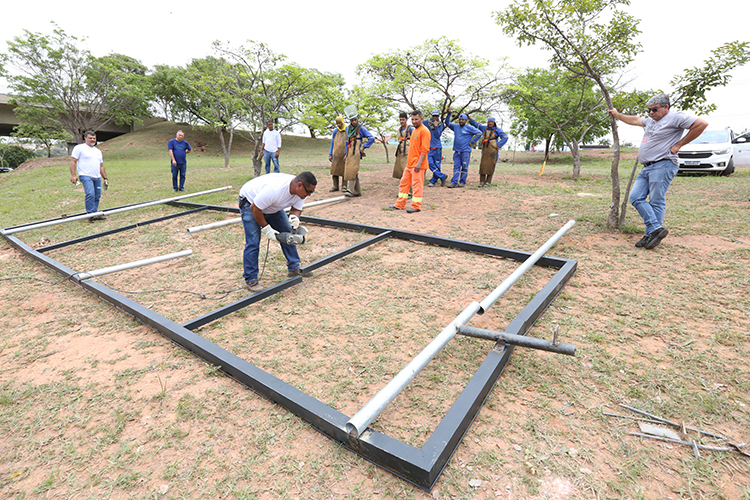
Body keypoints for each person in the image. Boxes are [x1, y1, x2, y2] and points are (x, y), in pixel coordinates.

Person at [608, 93, 708, 249]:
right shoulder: (651, 121)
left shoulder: (675, 117)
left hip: (663, 165)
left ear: (666, 107)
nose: (651, 113)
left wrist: (679, 145)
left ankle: (651, 235)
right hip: (647, 167)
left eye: (654, 109)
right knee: (635, 197)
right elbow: (635, 119)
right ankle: (654, 229)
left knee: (656, 201)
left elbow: (701, 124)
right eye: (649, 110)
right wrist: (617, 115)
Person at [238, 172, 317, 290]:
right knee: (253, 241)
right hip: (250, 203)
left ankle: (294, 268)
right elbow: (255, 208)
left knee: (289, 234)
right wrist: (267, 228)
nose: (309, 195)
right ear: (299, 185)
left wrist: (294, 217)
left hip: (271, 206)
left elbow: (296, 209)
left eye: (312, 192)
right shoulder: (275, 190)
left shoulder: (300, 193)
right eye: (308, 191)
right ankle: (251, 279)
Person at [388, 110, 430, 213]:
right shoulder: (414, 131)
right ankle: (399, 204)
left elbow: (425, 149)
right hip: (410, 164)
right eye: (413, 119)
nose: (414, 121)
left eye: (416, 119)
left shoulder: (425, 131)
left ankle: (416, 206)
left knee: (416, 186)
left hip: (418, 165)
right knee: (403, 183)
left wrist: (419, 163)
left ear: (421, 119)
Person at [70, 131, 109, 222]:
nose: (92, 140)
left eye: (94, 138)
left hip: (97, 176)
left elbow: (101, 166)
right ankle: (90, 214)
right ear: (85, 138)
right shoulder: (79, 148)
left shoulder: (98, 151)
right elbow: (73, 162)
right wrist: (73, 175)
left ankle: (95, 213)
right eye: (90, 138)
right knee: (90, 194)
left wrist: (105, 178)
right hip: (85, 175)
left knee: (97, 196)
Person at [444, 110, 482, 188]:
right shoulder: (456, 127)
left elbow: (479, 133)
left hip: (465, 151)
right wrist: (449, 114)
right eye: (460, 120)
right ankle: (454, 182)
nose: (461, 121)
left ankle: (462, 182)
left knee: (464, 167)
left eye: (463, 120)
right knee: (456, 167)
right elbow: (447, 123)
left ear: (465, 120)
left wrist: (472, 141)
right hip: (457, 151)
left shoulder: (469, 127)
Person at [469, 117, 508, 187]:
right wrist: (470, 119)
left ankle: (488, 182)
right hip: (485, 149)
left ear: (494, 123)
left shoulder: (497, 130)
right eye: (489, 122)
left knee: (491, 165)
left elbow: (505, 137)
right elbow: (476, 124)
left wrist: (499, 145)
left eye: (492, 122)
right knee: (483, 165)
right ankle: (481, 182)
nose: (490, 123)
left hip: (493, 149)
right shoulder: (484, 128)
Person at [343, 116, 375, 197]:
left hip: (356, 152)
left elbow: (371, 138)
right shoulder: (348, 129)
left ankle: (350, 190)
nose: (354, 122)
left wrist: (364, 147)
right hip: (350, 152)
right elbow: (347, 142)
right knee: (351, 169)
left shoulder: (361, 128)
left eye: (355, 120)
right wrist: (345, 154)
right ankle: (357, 191)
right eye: (352, 120)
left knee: (353, 169)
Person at [425, 109, 448, 187]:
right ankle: (442, 176)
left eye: (436, 116)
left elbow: (438, 135)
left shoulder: (440, 124)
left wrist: (436, 127)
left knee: (437, 165)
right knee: (430, 163)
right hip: (429, 147)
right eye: (433, 116)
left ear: (438, 116)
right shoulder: (426, 123)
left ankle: (433, 181)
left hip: (437, 147)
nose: (435, 117)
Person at [392, 112, 414, 180]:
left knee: (408, 169)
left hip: (409, 152)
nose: (401, 121)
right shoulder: (399, 130)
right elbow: (399, 140)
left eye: (403, 119)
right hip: (400, 152)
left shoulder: (411, 129)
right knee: (400, 169)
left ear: (406, 120)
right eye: (400, 120)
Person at [328, 116, 347, 192]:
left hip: (344, 154)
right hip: (335, 154)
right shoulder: (335, 131)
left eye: (339, 123)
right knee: (334, 171)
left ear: (342, 122)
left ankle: (344, 186)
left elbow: (348, 143)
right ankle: (335, 186)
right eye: (337, 123)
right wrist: (330, 154)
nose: (338, 124)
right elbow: (332, 142)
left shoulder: (347, 130)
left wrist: (346, 153)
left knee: (344, 171)